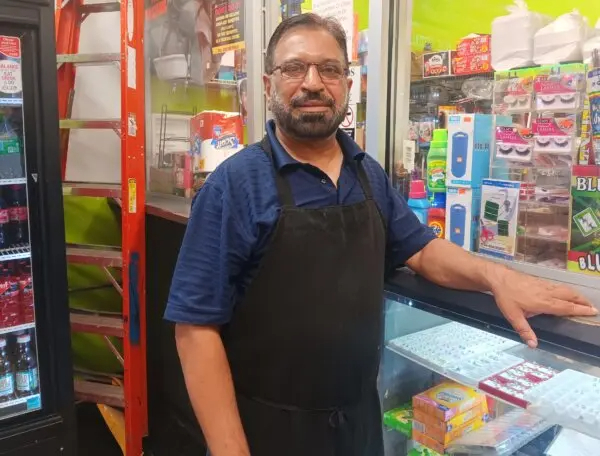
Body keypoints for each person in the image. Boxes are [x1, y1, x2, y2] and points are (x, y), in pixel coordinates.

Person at [165, 13, 597, 456]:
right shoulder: (234, 185)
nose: (313, 83)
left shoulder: (367, 174)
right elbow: (195, 328)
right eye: (294, 68)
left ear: (348, 85)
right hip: (269, 430)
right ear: (267, 83)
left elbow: (423, 250)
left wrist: (496, 278)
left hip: (359, 424)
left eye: (330, 69)